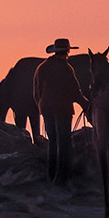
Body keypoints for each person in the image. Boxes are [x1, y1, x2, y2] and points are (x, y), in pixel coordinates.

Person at [32, 39, 87, 184]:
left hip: (47, 109)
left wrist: (41, 106)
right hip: (63, 109)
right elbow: (75, 91)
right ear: (67, 51)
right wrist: (86, 104)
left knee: (52, 141)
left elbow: (36, 92)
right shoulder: (67, 68)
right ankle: (63, 177)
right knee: (64, 142)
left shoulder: (42, 68)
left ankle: (50, 174)